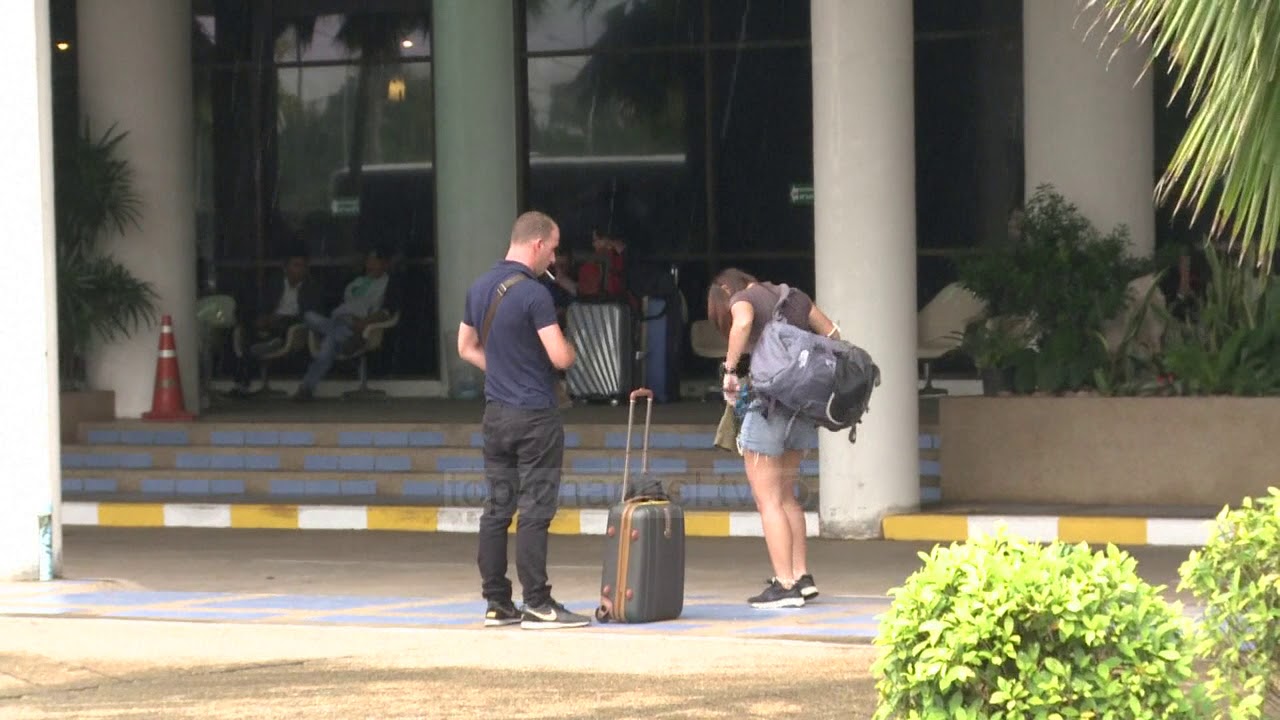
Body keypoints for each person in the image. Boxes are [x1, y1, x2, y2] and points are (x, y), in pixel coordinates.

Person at [456, 210, 589, 630]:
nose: (554, 259)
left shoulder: (479, 286)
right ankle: (538, 602)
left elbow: (465, 346)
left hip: (496, 415)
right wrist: (573, 348)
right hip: (535, 417)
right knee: (535, 509)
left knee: (497, 509)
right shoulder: (535, 294)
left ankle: (498, 603)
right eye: (553, 249)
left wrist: (500, 372)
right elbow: (560, 357)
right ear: (537, 244)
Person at [707, 267, 841, 609]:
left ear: (726, 289)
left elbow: (742, 322)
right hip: (801, 407)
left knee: (768, 501)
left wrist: (730, 371)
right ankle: (801, 576)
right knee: (786, 496)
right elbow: (833, 333)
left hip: (767, 404)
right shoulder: (795, 296)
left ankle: (785, 585)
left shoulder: (741, 298)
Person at [293, 247, 401, 401]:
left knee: (328, 345)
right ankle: (342, 335)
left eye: (375, 261)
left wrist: (363, 322)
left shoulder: (389, 284)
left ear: (385, 264)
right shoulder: (356, 281)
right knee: (309, 316)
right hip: (339, 322)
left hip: (359, 325)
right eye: (368, 261)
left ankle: (306, 388)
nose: (370, 265)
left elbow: (386, 312)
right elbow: (340, 305)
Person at [228, 252, 323, 397]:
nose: (301, 269)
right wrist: (264, 317)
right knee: (246, 324)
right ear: (285, 268)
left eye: (303, 266)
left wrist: (279, 318)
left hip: (293, 323)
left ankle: (244, 381)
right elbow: (262, 305)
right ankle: (264, 346)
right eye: (296, 265)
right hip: (270, 321)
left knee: (282, 324)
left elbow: (312, 313)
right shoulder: (274, 283)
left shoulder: (312, 287)